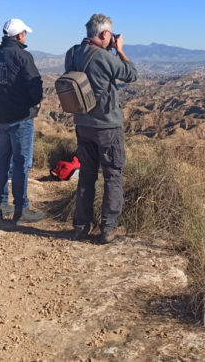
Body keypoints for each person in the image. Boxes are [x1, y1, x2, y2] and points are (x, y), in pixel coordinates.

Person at [65, 13, 137, 243]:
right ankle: (108, 227)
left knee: (86, 174)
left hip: (82, 124)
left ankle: (80, 225)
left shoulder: (72, 53)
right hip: (107, 127)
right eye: (110, 34)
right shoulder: (104, 58)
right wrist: (120, 50)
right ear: (105, 33)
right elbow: (131, 74)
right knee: (113, 175)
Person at [0, 18, 44, 224]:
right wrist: (36, 102)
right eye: (25, 33)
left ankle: (1, 205)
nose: (25, 36)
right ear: (19, 35)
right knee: (20, 163)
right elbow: (35, 85)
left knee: (1, 160)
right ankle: (21, 209)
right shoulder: (23, 56)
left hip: (0, 118)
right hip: (20, 118)